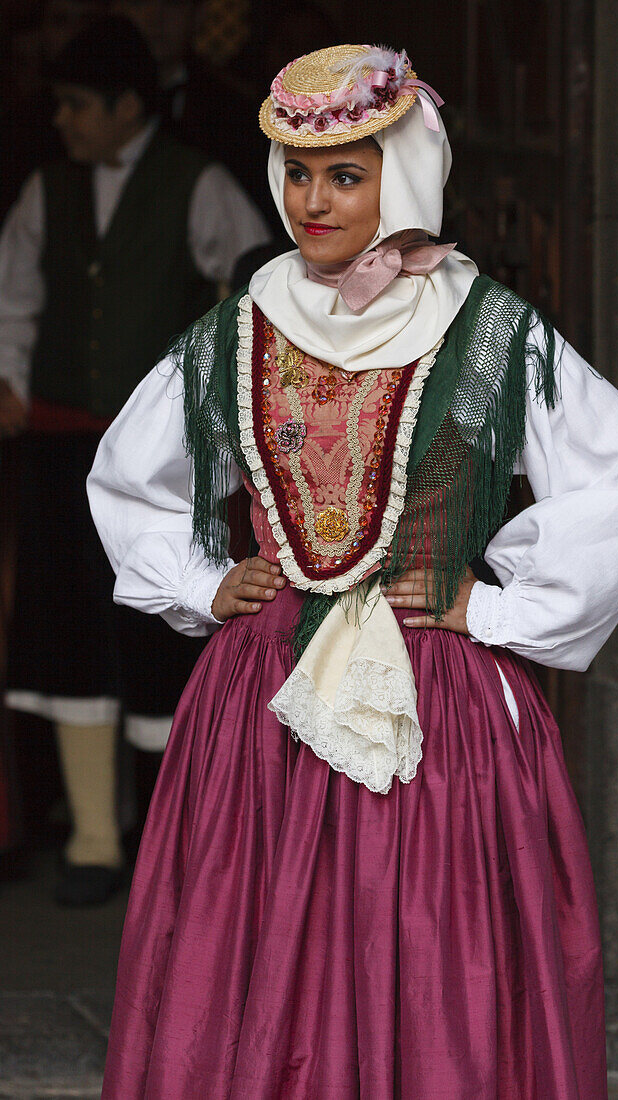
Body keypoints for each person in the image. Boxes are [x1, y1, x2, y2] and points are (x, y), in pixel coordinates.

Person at [89, 44, 618, 1097]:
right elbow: (131, 474)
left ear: (403, 175)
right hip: (264, 704)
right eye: (299, 172)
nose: (313, 200)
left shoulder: (488, 330)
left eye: (346, 174)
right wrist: (197, 579)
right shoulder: (243, 322)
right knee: (253, 951)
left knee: (433, 959)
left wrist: (494, 599)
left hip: (433, 705)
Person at [0, 14, 270, 906]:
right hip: (60, 441)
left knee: (159, 637)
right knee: (69, 626)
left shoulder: (197, 183)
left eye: (79, 105)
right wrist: (7, 378)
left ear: (126, 105)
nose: (66, 122)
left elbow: (252, 281)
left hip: (168, 452)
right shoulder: (47, 189)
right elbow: (17, 296)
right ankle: (89, 838)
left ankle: (171, 839)